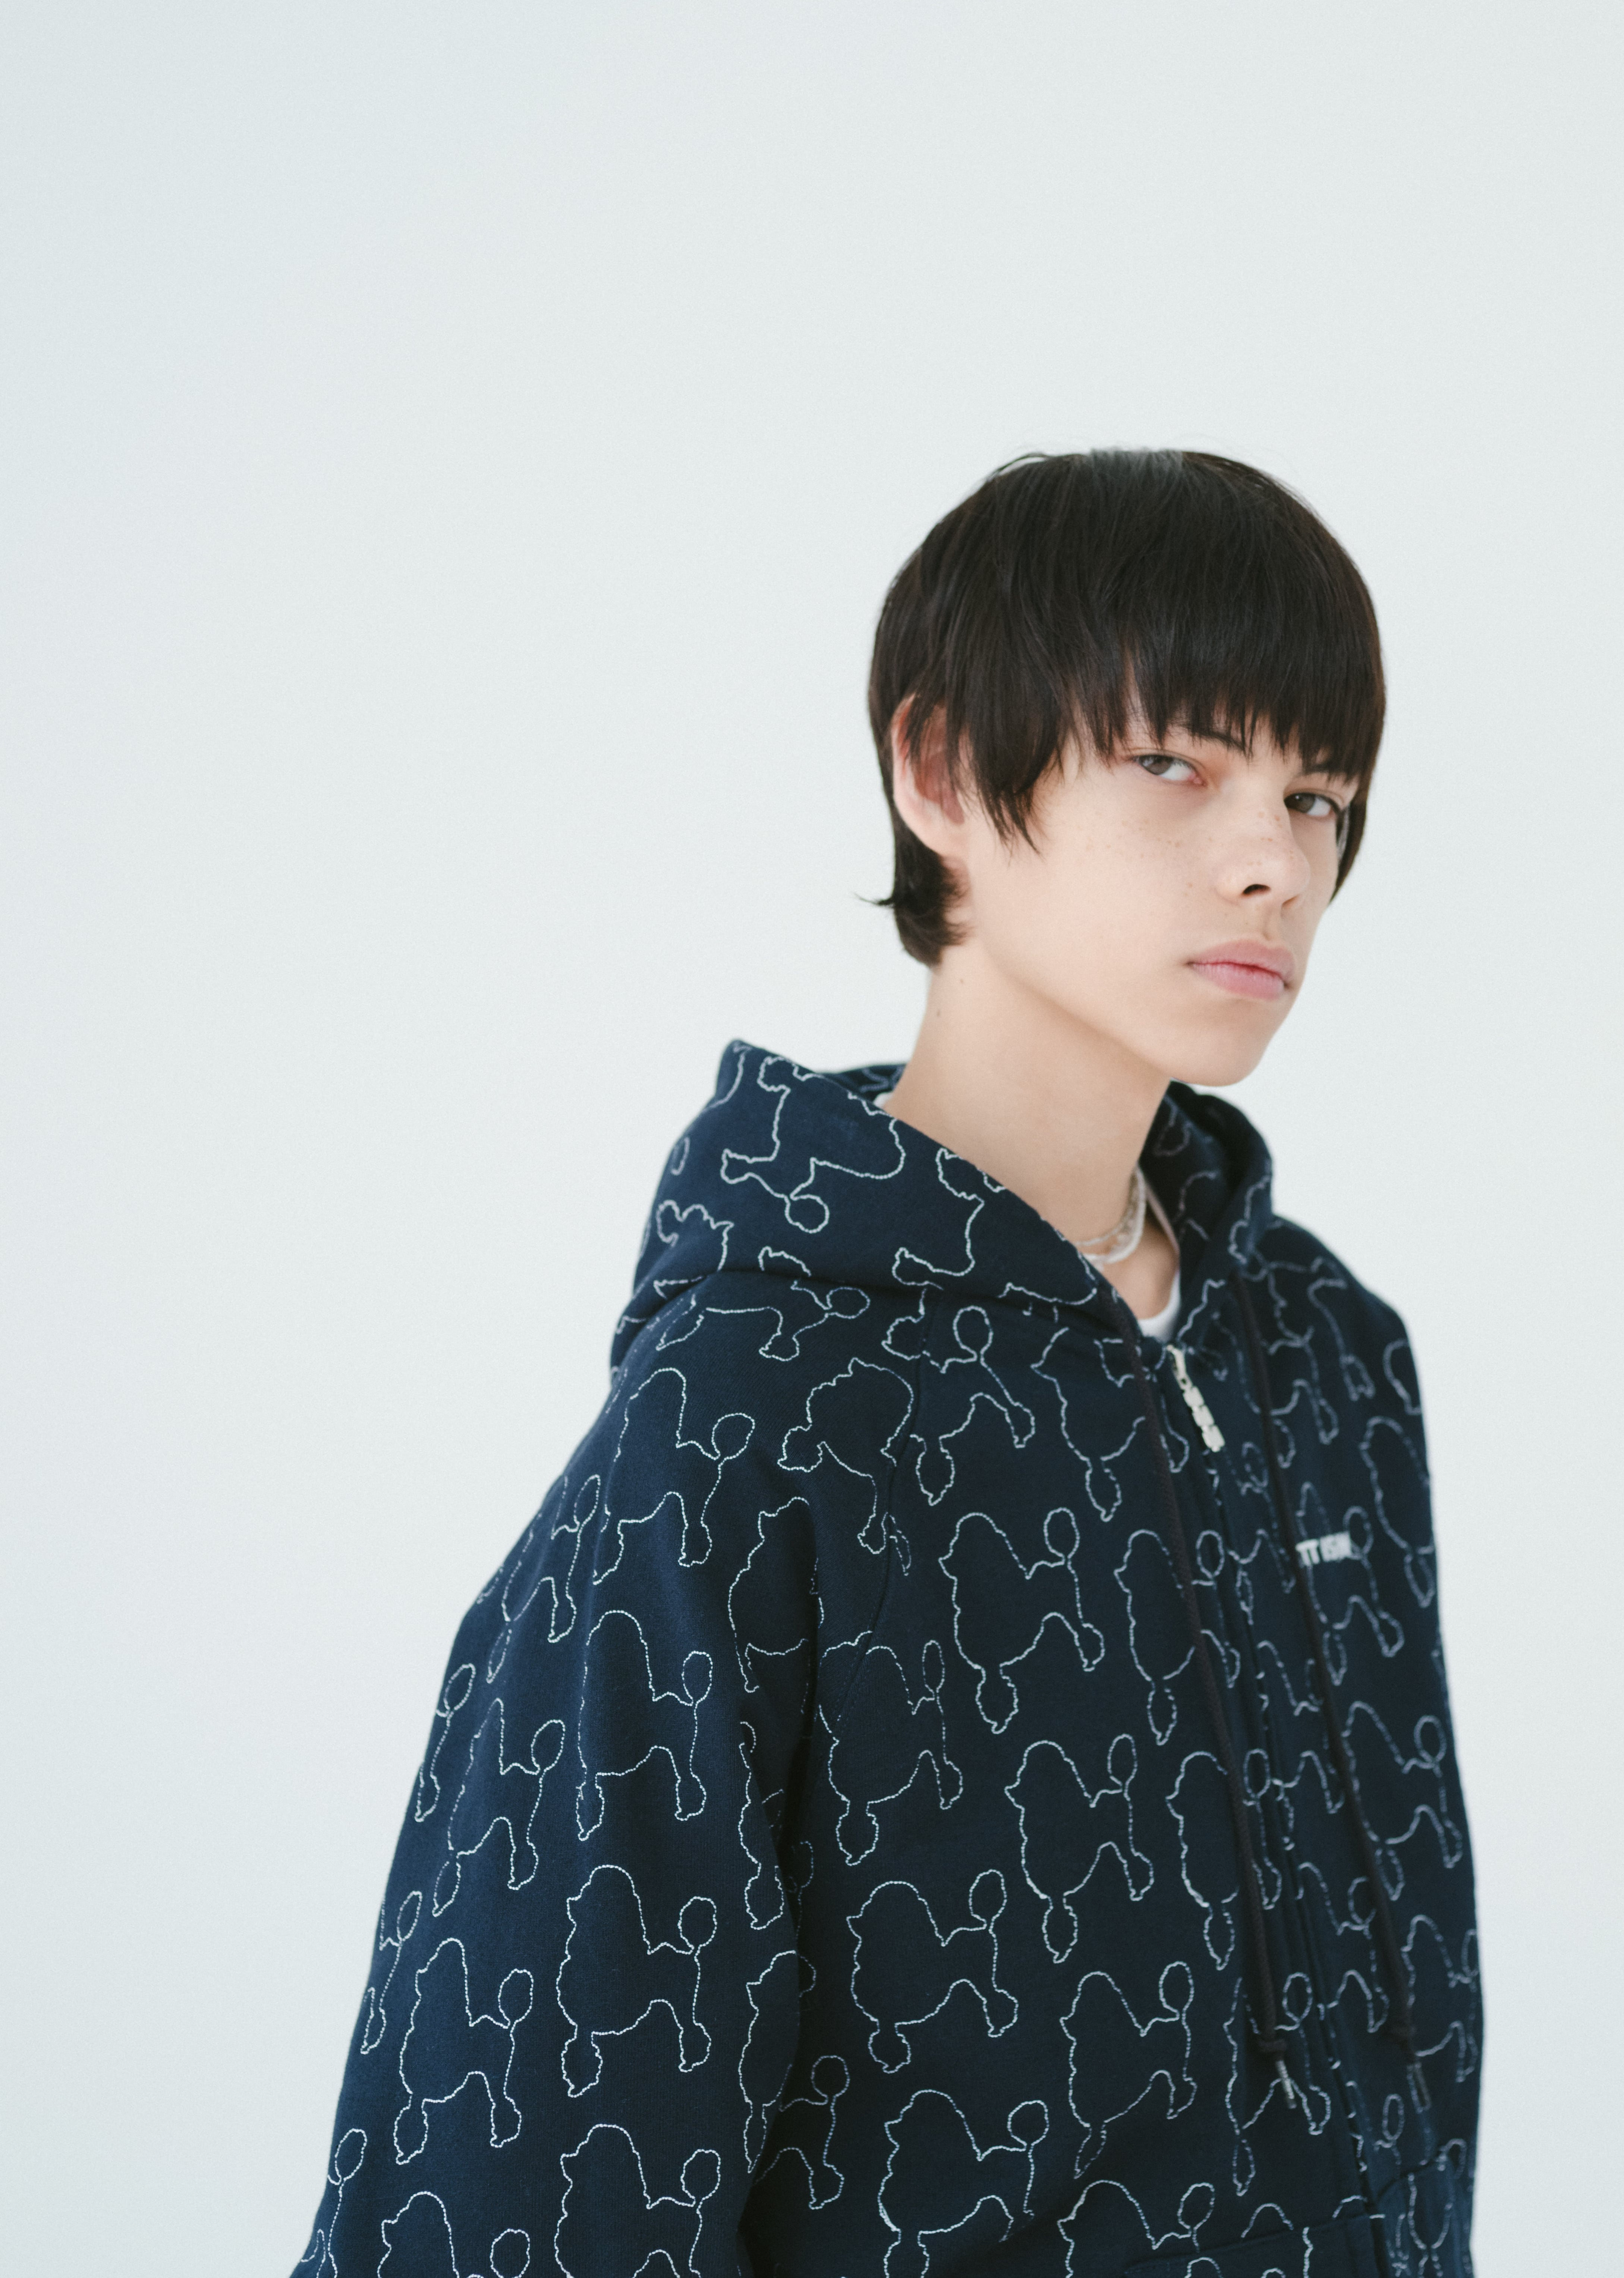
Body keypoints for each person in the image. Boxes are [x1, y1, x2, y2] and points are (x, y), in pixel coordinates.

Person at [294, 450, 1482, 2278]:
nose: (1273, 861)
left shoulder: (1324, 1360)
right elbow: (514, 2171)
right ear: (938, 772)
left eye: (1316, 796)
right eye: (1175, 763)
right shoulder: (752, 1416)